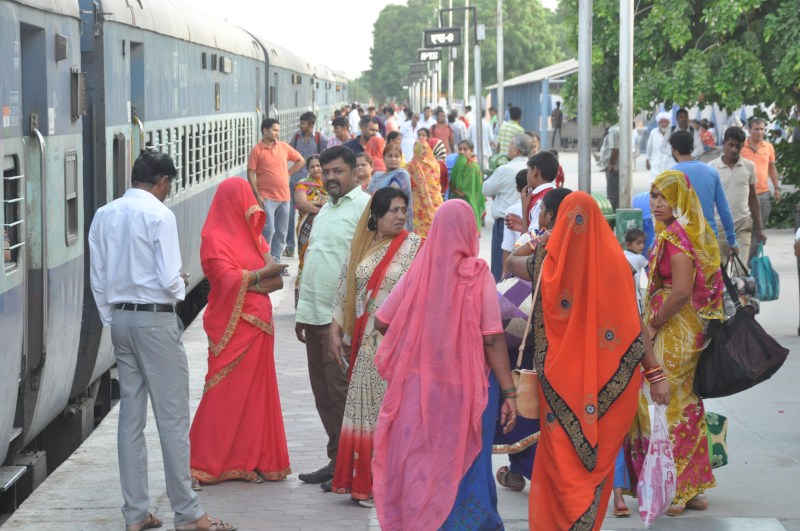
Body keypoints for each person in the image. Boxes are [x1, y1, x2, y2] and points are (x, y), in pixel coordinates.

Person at [89, 150, 235, 531]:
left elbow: (98, 276)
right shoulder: (159, 215)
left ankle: (135, 514)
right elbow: (171, 281)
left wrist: (114, 316)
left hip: (120, 321)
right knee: (172, 419)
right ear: (163, 182)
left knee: (130, 421)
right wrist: (180, 285)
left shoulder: (104, 215)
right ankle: (187, 513)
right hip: (155, 322)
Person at [506, 191, 669, 530]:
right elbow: (636, 324)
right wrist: (654, 373)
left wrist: (545, 239)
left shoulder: (549, 265)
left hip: (560, 386)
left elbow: (510, 262)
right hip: (610, 388)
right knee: (594, 463)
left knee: (561, 460)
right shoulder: (619, 267)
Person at [371, 200, 518, 531]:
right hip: (468, 387)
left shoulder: (420, 272)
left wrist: (420, 342)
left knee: (424, 459)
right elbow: (493, 339)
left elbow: (382, 321)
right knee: (467, 459)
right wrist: (509, 391)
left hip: (419, 385)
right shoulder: (477, 274)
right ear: (468, 231)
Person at [629, 170, 724, 516]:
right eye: (653, 195)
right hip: (683, 326)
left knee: (662, 400)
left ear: (679, 200)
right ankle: (693, 486)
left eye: (663, 197)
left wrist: (652, 324)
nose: (656, 203)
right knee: (686, 401)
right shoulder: (683, 232)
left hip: (675, 329)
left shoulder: (677, 239)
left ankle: (677, 488)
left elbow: (682, 291)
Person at [190, 178, 290, 486]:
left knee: (256, 397)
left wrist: (252, 279)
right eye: (247, 207)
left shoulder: (254, 238)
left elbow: (278, 281)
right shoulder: (214, 238)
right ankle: (205, 462)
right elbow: (225, 280)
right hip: (232, 329)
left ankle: (249, 461)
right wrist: (261, 276)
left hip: (260, 327)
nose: (253, 214)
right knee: (223, 393)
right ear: (231, 204)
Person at [329, 188, 423, 506]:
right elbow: (345, 287)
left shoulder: (414, 247)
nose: (399, 216)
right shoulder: (361, 248)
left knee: (390, 415)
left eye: (403, 210)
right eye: (392, 211)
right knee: (366, 415)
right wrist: (335, 327)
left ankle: (387, 483)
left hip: (398, 346)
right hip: (366, 345)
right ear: (376, 216)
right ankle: (364, 482)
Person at [295, 146, 371, 486]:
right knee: (322, 393)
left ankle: (353, 469)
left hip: (339, 319)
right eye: (326, 172)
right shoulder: (326, 208)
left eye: (337, 171)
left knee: (341, 392)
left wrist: (349, 320)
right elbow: (316, 259)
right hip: (314, 315)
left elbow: (366, 266)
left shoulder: (365, 208)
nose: (330, 178)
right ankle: (335, 460)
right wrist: (302, 312)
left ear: (355, 173)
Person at [495, 187, 573, 494]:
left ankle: (529, 471)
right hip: (570, 350)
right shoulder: (589, 251)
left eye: (541, 211)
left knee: (527, 406)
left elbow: (511, 263)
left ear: (551, 216)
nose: (537, 216)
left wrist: (540, 238)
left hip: (536, 344)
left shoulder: (544, 252)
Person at [247, 118, 305, 267]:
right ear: (265, 130)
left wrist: (288, 173)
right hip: (266, 197)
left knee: (281, 231)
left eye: (278, 130)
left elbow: (301, 160)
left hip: (284, 197)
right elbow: (250, 174)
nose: (277, 133)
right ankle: (264, 261)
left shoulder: (283, 147)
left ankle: (277, 262)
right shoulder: (257, 150)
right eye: (274, 130)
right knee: (269, 229)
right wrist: (257, 195)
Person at [670, 130, 738, 254]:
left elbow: (664, 213)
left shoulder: (669, 176)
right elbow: (724, 210)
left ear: (674, 149)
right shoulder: (711, 172)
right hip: (708, 239)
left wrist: (655, 241)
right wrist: (732, 240)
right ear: (692, 147)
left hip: (680, 240)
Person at [709, 126, 766, 260]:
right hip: (719, 227)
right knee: (720, 274)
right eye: (731, 145)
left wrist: (759, 229)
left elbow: (753, 197)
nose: (734, 149)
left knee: (740, 271)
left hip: (742, 225)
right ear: (723, 144)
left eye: (738, 146)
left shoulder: (749, 166)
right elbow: (707, 200)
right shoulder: (711, 168)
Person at [483, 134, 535, 281]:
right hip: (531, 224)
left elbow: (486, 189)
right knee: (525, 271)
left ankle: (501, 299)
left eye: (510, 146)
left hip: (505, 222)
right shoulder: (534, 168)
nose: (508, 149)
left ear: (516, 150)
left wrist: (497, 194)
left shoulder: (504, 169)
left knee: (502, 270)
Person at [287, 112, 328, 258]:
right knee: (291, 215)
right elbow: (288, 153)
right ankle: (290, 246)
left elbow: (325, 158)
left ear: (311, 125)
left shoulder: (320, 139)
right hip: (297, 182)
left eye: (303, 123)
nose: (300, 125)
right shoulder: (296, 137)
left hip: (315, 184)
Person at [741, 117, 781, 261]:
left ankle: (751, 262)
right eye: (756, 129)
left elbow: (771, 167)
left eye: (762, 129)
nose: (759, 132)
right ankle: (744, 262)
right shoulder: (741, 147)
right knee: (744, 229)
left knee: (759, 230)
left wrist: (776, 187)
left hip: (763, 194)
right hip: (744, 195)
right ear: (749, 130)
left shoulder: (768, 147)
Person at [293, 155, 329, 306]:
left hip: (327, 227)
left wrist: (318, 204)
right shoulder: (303, 184)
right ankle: (302, 301)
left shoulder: (329, 182)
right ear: (308, 169)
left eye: (319, 165)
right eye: (312, 166)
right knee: (306, 259)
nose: (316, 169)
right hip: (306, 228)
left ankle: (320, 300)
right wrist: (320, 208)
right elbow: (301, 203)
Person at [367, 143, 414, 231]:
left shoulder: (401, 174)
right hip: (377, 217)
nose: (393, 159)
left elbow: (395, 197)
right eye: (390, 156)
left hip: (395, 218)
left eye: (397, 156)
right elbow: (368, 195)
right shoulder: (377, 176)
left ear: (401, 159)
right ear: (383, 158)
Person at [406, 140, 443, 238]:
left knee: (419, 231)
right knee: (435, 229)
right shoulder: (435, 164)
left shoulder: (410, 166)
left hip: (418, 203)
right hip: (435, 201)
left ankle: (422, 250)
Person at [448, 139, 486, 227]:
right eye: (460, 149)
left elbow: (461, 188)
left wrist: (460, 164)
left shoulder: (472, 167)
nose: (462, 152)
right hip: (458, 206)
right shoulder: (460, 164)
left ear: (471, 151)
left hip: (468, 204)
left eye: (465, 149)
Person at [599, 122, 621, 209]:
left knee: (613, 194)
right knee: (616, 193)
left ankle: (615, 214)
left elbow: (615, 149)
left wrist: (611, 164)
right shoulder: (618, 130)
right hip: (616, 166)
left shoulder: (614, 131)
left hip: (613, 167)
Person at [646, 112, 673, 181]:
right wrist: (647, 159)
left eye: (666, 121)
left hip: (669, 163)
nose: (664, 124)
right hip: (656, 163)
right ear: (659, 123)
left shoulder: (673, 132)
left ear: (669, 122)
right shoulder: (653, 132)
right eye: (662, 122)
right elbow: (649, 146)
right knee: (654, 184)